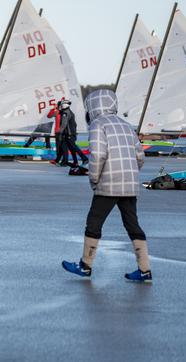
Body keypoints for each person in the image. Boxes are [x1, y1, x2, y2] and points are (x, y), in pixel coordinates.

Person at [63, 89, 152, 283]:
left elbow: (98, 155)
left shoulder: (98, 125)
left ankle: (85, 265)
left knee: (94, 222)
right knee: (132, 224)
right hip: (129, 184)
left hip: (108, 183)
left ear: (93, 106)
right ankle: (145, 269)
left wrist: (94, 179)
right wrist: (130, 173)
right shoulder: (126, 125)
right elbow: (140, 156)